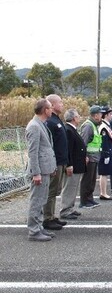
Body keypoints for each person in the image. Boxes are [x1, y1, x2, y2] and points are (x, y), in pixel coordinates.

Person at [25, 98, 57, 241]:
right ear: (45, 110)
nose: (52, 110)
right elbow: (33, 152)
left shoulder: (41, 124)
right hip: (40, 172)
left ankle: (39, 227)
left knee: (42, 200)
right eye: (50, 108)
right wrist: (36, 173)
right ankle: (33, 231)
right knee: (36, 201)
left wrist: (51, 167)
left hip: (45, 170)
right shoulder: (34, 126)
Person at [43, 94, 68, 231]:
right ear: (52, 105)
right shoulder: (50, 122)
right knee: (51, 191)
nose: (62, 104)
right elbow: (49, 145)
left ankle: (52, 216)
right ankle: (47, 218)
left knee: (56, 190)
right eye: (60, 102)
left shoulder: (57, 120)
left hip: (61, 161)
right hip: (55, 162)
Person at [59, 109, 87, 220]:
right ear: (74, 118)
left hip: (77, 164)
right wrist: (69, 165)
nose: (79, 117)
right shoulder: (68, 130)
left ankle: (70, 208)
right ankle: (65, 210)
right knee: (69, 187)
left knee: (73, 187)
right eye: (78, 116)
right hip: (73, 165)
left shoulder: (72, 129)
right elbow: (68, 149)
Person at [79, 105, 102, 209]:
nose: (101, 116)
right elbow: (83, 142)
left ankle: (89, 199)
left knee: (91, 181)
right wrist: (84, 156)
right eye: (100, 114)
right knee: (87, 180)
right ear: (96, 115)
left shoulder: (93, 125)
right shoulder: (88, 126)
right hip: (89, 158)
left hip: (94, 158)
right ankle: (84, 201)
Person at [98, 106, 112, 201]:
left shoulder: (107, 125)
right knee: (104, 173)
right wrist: (106, 154)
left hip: (108, 152)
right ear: (106, 115)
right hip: (106, 153)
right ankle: (103, 193)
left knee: (106, 173)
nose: (111, 115)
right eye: (110, 114)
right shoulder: (104, 127)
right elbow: (104, 141)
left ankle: (104, 192)